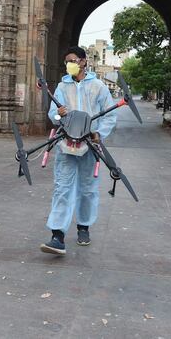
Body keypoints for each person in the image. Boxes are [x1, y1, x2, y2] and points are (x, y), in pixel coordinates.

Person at [40, 46, 117, 255]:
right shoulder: (62, 87)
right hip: (66, 143)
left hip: (89, 145)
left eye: (72, 61)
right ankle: (57, 235)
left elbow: (109, 116)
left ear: (83, 62)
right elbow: (52, 115)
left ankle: (84, 226)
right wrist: (59, 113)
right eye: (66, 62)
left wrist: (99, 133)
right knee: (62, 187)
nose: (69, 65)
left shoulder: (98, 86)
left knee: (88, 188)